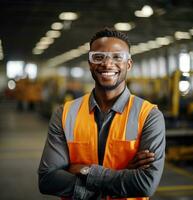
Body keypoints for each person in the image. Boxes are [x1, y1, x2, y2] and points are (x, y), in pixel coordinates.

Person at [38, 28, 166, 200]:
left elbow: (145, 184)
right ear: (90, 63)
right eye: (98, 57)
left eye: (117, 57)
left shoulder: (149, 116)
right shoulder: (64, 113)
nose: (107, 64)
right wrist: (122, 174)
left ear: (128, 64)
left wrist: (85, 170)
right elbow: (47, 179)